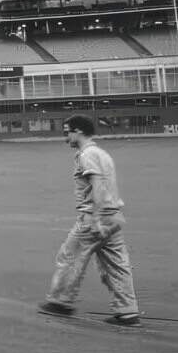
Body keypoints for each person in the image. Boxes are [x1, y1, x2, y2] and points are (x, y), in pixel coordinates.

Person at [39, 115, 141, 326]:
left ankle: (60, 302)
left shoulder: (87, 154)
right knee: (117, 266)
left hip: (96, 217)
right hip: (114, 216)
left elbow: (98, 186)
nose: (66, 137)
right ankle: (128, 312)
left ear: (78, 131)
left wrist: (94, 219)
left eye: (67, 132)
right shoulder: (102, 153)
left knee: (70, 257)